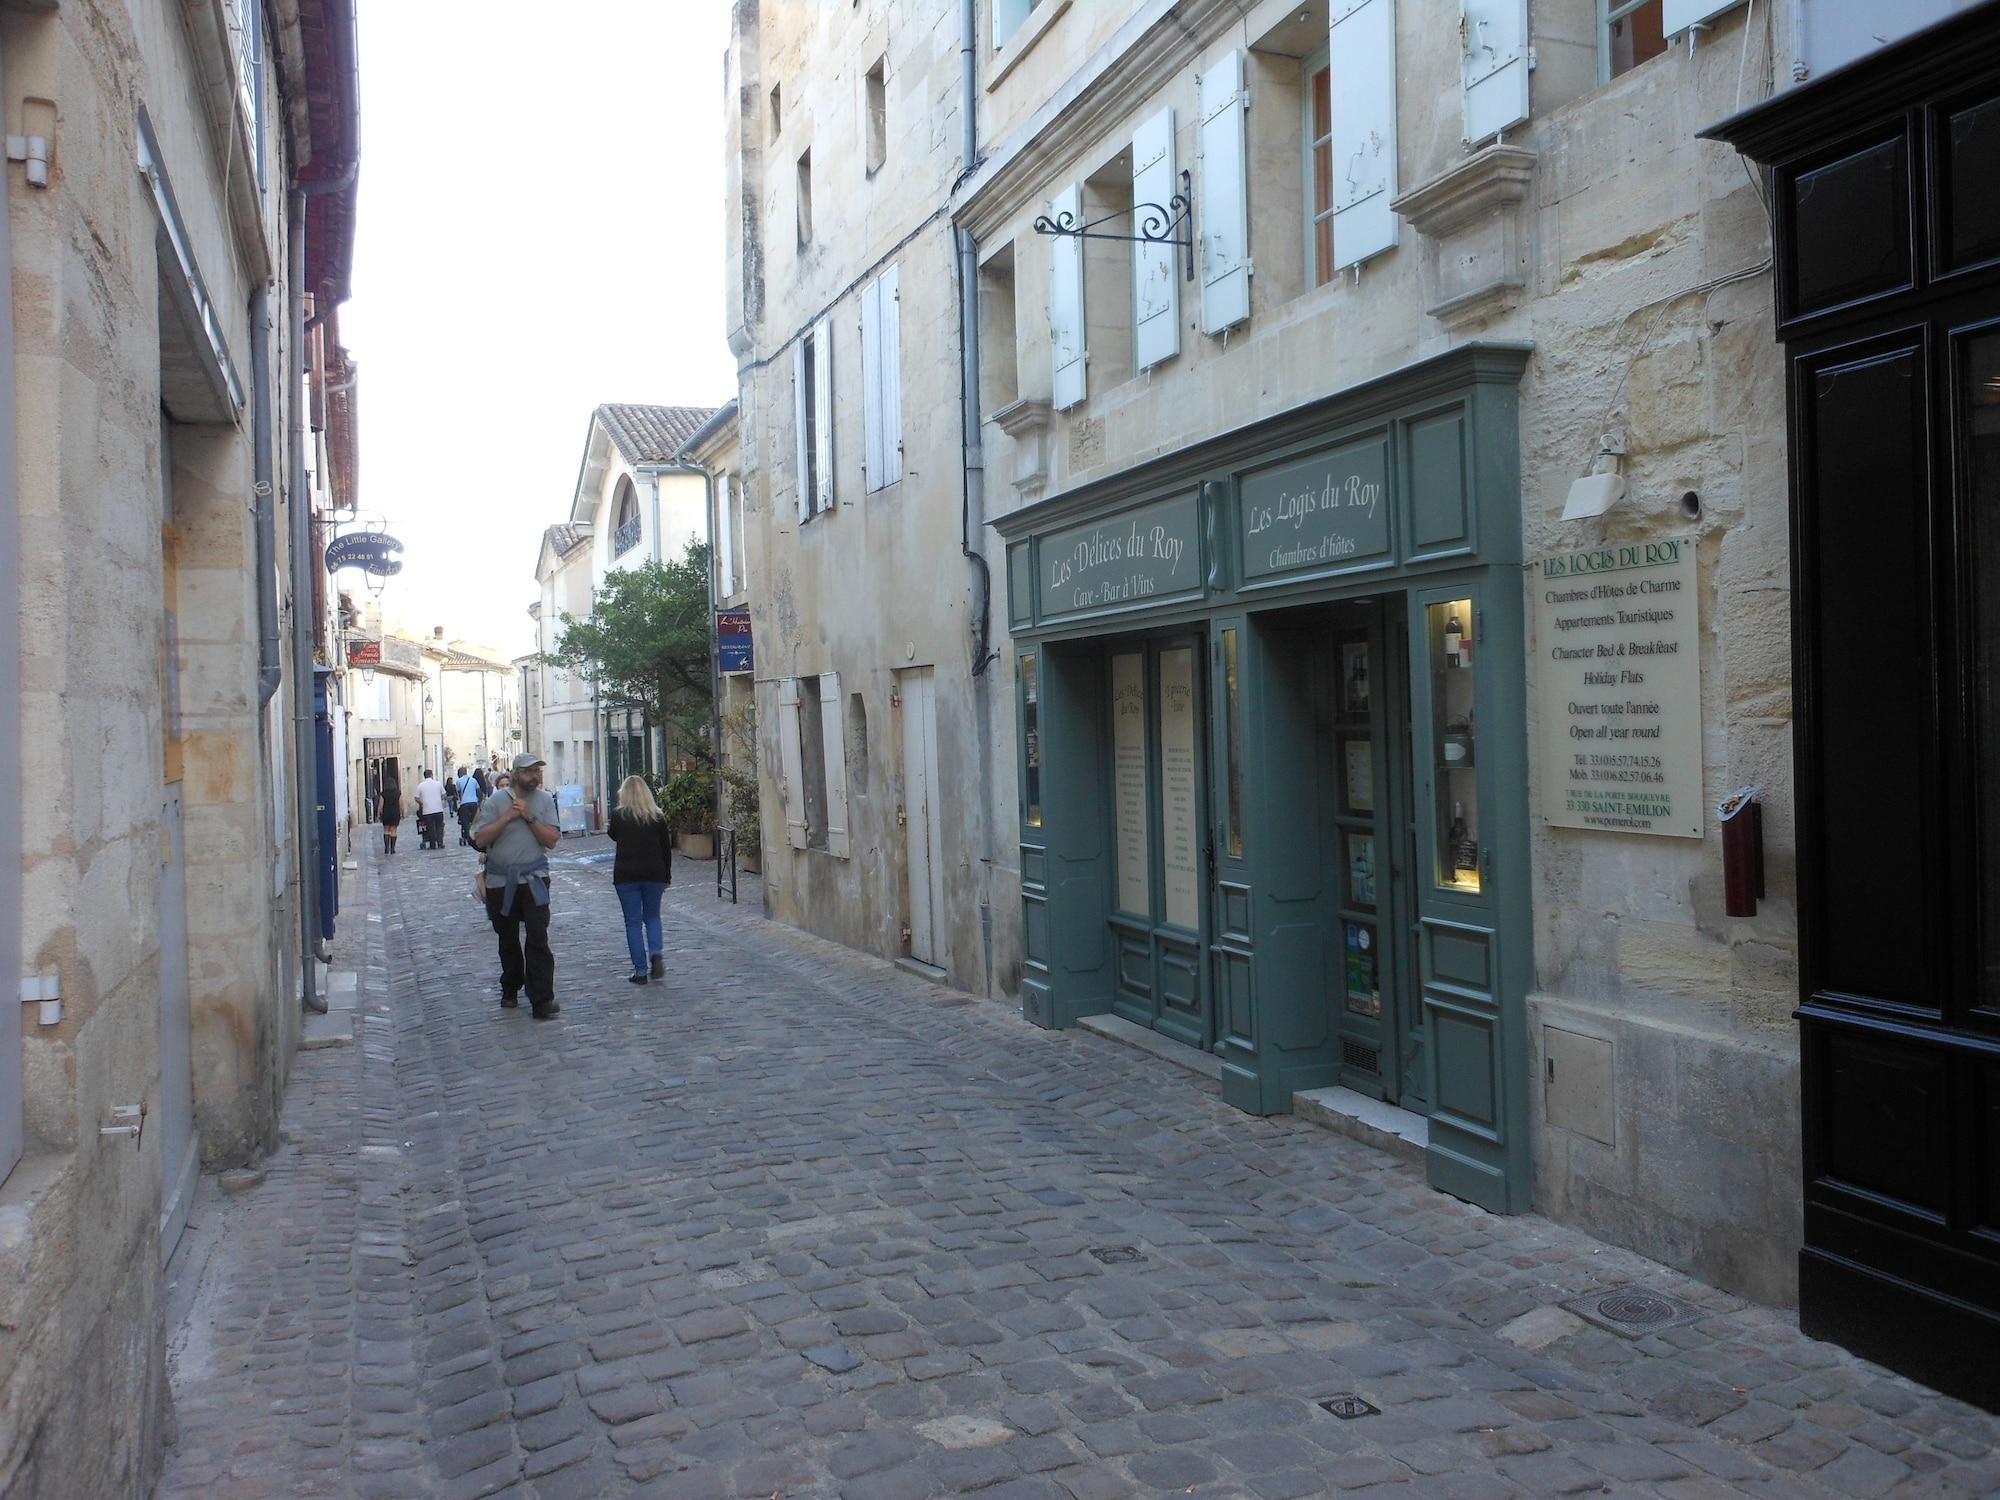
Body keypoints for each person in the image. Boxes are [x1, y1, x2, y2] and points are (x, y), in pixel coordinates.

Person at [471, 753, 562, 1019]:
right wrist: (508, 818)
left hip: (535, 880)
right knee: (507, 937)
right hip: (500, 882)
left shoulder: (545, 801)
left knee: (538, 936)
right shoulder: (495, 802)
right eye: (529, 771)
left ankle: (542, 999)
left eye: (537, 771)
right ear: (515, 774)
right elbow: (481, 838)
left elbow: (552, 840)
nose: (535, 776)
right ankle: (510, 987)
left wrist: (531, 818)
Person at [606, 774, 673, 985]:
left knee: (632, 922)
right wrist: (667, 875)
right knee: (653, 917)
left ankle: (641, 971)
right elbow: (666, 848)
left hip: (627, 875)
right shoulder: (657, 817)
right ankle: (656, 952)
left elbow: (613, 835)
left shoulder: (619, 816)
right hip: (654, 873)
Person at [415, 768, 448, 850]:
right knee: (439, 827)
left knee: (431, 828)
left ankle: (432, 844)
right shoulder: (438, 784)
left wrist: (422, 803)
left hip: (427, 810)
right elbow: (444, 795)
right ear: (431, 775)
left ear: (424, 776)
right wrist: (439, 799)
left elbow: (416, 798)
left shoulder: (421, 785)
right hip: (438, 809)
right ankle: (440, 843)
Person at [377, 774, 402, 855]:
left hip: (386, 813)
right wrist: (402, 812)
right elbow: (401, 804)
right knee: (394, 830)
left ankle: (386, 848)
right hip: (395, 813)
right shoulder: (398, 793)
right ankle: (393, 849)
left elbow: (381, 805)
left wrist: (378, 813)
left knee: (386, 830)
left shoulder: (383, 793)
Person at [455, 765, 481, 845]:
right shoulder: (473, 780)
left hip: (464, 803)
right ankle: (475, 835)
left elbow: (459, 793)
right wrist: (478, 801)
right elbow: (478, 791)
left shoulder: (459, 781)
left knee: (465, 822)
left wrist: (460, 800)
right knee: (474, 821)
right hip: (474, 802)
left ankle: (467, 836)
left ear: (459, 773)